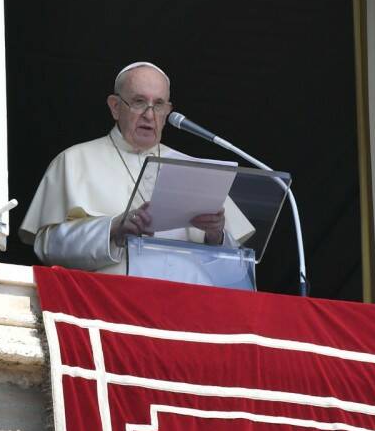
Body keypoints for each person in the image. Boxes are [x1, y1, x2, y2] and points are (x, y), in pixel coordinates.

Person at [19, 62, 253, 275]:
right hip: (111, 306)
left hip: (187, 307)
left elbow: (236, 271)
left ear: (168, 111)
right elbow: (47, 246)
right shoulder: (72, 161)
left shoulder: (196, 170)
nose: (149, 115)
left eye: (158, 105)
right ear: (115, 107)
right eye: (139, 102)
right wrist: (112, 230)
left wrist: (216, 235)